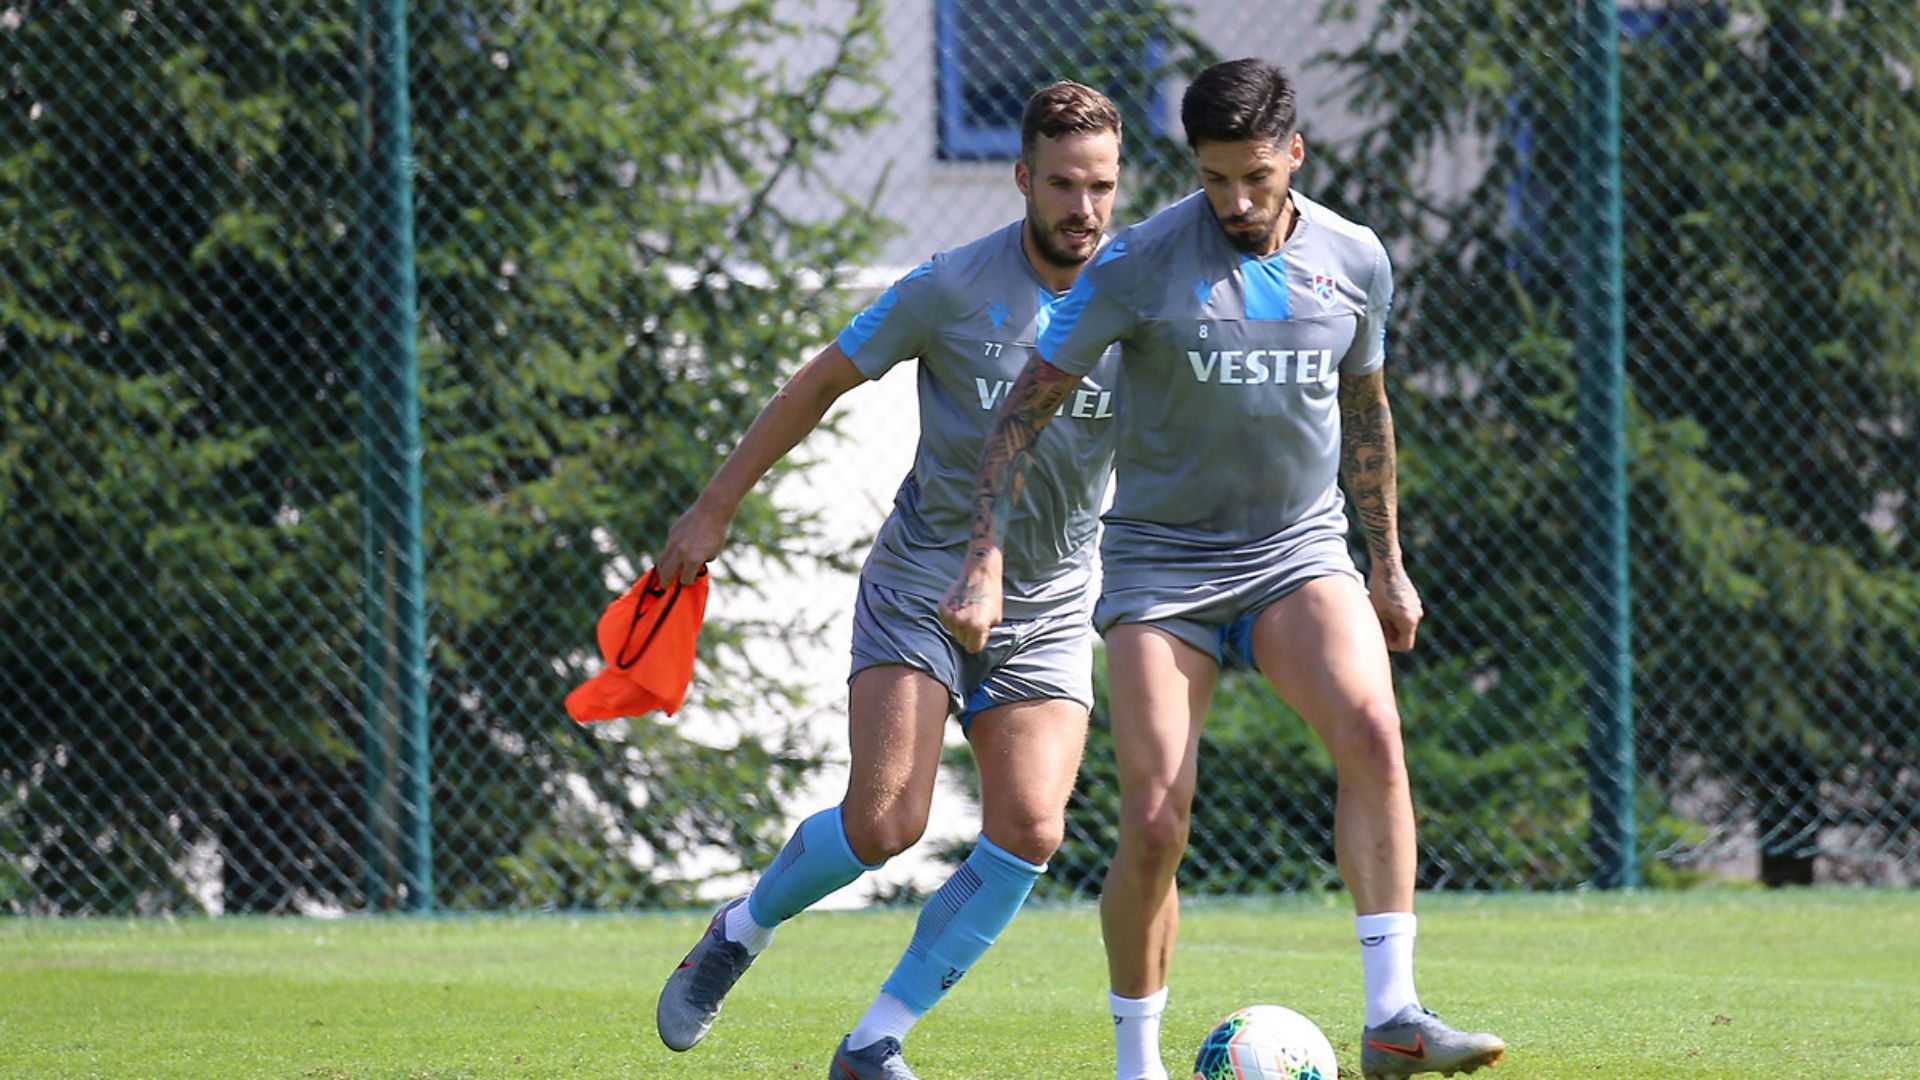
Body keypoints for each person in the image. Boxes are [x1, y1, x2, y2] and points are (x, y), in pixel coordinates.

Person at [939, 59, 1507, 1080]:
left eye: (1255, 175)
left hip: (1298, 551)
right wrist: (983, 560)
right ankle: (1137, 1065)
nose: (1238, 202)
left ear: (1294, 152)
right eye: (1214, 179)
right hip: (1162, 571)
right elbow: (1020, 413)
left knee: (1375, 731)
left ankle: (1393, 1019)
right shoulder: (1137, 265)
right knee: (1157, 820)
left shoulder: (1356, 259)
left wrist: (1389, 566)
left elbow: (1367, 411)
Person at [651, 81, 1124, 1080]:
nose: (1084, 209)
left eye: (1103, 187)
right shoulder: (952, 285)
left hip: (1048, 600)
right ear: (1022, 179)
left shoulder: (1138, 299)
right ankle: (740, 926)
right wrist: (714, 507)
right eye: (1063, 185)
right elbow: (820, 383)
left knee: (1033, 825)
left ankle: (876, 1042)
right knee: (885, 825)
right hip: (923, 581)